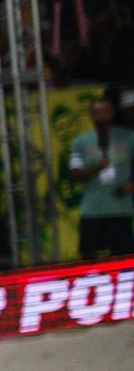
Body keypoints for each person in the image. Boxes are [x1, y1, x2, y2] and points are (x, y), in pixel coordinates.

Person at [68, 96, 134, 258]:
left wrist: (132, 183)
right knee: (89, 257)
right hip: (92, 209)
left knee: (124, 258)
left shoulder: (128, 136)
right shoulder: (81, 141)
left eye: (106, 111)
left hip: (120, 208)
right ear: (91, 115)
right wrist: (96, 168)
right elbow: (74, 172)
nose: (102, 116)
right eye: (97, 112)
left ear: (112, 113)